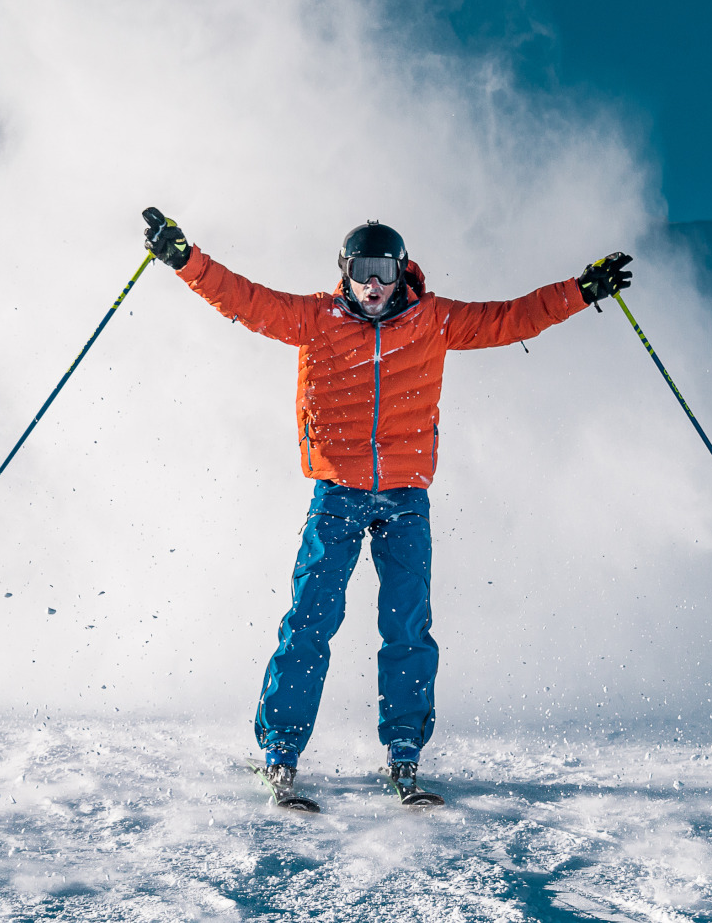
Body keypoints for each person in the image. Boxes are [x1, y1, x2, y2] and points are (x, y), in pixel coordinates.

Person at [141, 208, 630, 800]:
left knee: (407, 625)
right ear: (344, 272)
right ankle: (280, 748)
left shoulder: (435, 320)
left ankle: (404, 750)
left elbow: (512, 319)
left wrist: (581, 291)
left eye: (386, 270)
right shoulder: (314, 318)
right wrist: (184, 258)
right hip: (337, 492)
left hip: (405, 495)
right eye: (363, 270)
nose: (374, 284)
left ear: (402, 273)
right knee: (310, 620)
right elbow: (245, 300)